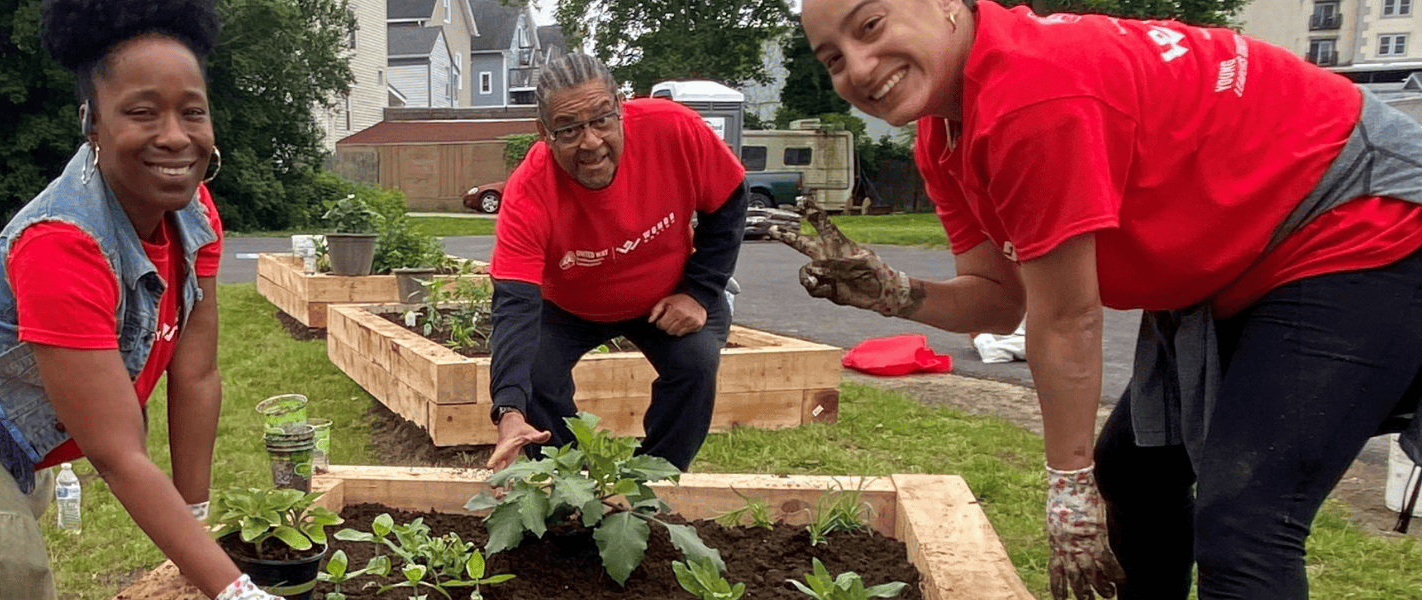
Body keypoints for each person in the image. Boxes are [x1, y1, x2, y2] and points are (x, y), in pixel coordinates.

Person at [793, 0, 1422, 598]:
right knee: (1135, 474)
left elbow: (1068, 321)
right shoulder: (944, 134)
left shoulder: (1029, 93)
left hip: (1357, 217)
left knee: (1245, 525)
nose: (860, 67)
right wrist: (895, 295)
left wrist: (1069, 490)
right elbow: (997, 304)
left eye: (870, 26)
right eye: (833, 58)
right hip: (1239, 256)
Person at [0, 1, 272, 599]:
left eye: (192, 112)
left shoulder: (193, 213)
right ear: (92, 121)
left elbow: (196, 373)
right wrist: (239, 592)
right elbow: (116, 452)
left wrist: (198, 525)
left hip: (4, 415)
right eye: (141, 112)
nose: (174, 136)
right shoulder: (62, 245)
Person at [485, 52, 751, 472]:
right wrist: (509, 411)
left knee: (695, 364)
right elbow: (514, 306)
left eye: (602, 120)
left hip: (665, 294)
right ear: (544, 132)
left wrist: (699, 291)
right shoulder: (529, 192)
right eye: (569, 129)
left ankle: (649, 484)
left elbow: (730, 199)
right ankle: (568, 484)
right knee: (536, 374)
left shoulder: (674, 129)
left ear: (621, 107)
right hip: (570, 305)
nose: (590, 142)